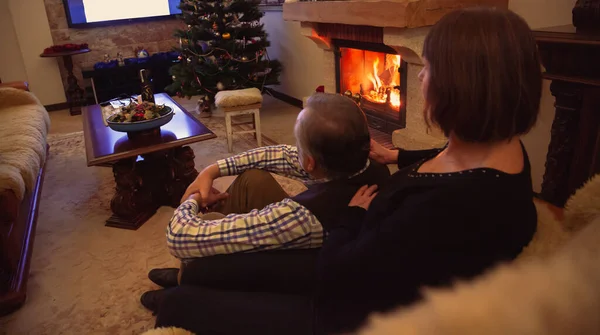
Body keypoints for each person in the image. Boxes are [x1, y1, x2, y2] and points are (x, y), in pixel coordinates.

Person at [153, 7, 542, 335]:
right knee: (226, 265)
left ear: (463, 89)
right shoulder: (498, 144)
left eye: (430, 68)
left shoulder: (445, 208)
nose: (420, 76)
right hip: (362, 253)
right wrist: (397, 157)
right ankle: (195, 276)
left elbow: (344, 274)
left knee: (187, 305)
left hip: (347, 309)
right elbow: (445, 154)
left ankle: (177, 298)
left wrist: (351, 218)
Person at [140, 93, 390, 310]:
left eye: (299, 146)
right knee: (253, 178)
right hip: (321, 245)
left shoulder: (297, 216)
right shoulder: (370, 164)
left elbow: (179, 237)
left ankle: (188, 288)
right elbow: (280, 154)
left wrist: (193, 198)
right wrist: (212, 171)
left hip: (299, 270)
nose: (295, 150)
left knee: (208, 240)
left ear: (310, 162)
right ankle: (190, 272)